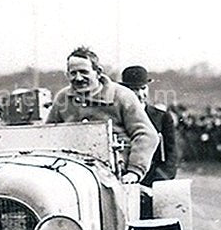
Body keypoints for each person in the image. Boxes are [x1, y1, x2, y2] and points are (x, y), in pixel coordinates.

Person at [45, 47, 158, 184]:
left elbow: (146, 134)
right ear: (67, 75)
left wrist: (134, 172)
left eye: (84, 72)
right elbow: (48, 135)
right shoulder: (63, 98)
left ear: (98, 72)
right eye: (73, 73)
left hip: (114, 174)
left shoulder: (121, 96)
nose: (78, 78)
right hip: (71, 171)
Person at [119, 65, 178, 184]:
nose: (140, 94)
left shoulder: (162, 117)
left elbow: (171, 155)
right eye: (133, 90)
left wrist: (158, 181)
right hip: (123, 180)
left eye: (143, 88)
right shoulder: (117, 116)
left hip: (152, 180)